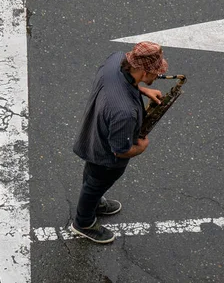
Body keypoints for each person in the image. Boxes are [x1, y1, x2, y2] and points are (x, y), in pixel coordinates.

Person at [70, 41, 168, 243]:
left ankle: (94, 204)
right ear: (141, 69)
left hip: (92, 134)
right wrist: (141, 148)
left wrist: (141, 89)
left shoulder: (115, 60)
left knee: (91, 177)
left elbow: (119, 82)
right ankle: (84, 223)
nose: (157, 75)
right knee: (96, 183)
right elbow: (120, 150)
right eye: (154, 72)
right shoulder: (125, 112)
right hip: (105, 155)